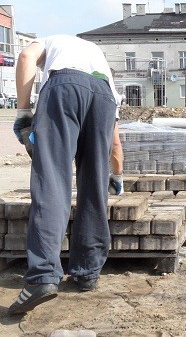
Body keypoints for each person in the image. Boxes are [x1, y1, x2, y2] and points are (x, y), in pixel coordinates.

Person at [9, 34, 119, 315]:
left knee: (52, 181)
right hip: (104, 99)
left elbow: (24, 58)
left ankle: (43, 277)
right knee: (95, 184)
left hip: (64, 88)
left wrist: (23, 113)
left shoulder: (48, 40)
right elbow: (115, 141)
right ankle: (87, 272)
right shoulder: (98, 57)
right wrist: (115, 172)